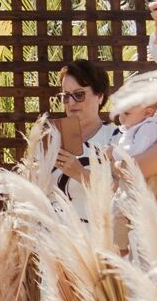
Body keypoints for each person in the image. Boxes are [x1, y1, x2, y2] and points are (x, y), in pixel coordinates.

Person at [48, 61, 122, 213]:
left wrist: (79, 173)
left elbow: (125, 195)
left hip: (96, 234)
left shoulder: (117, 139)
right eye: (66, 96)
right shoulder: (50, 139)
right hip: (49, 234)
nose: (71, 102)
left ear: (99, 96)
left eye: (79, 94)